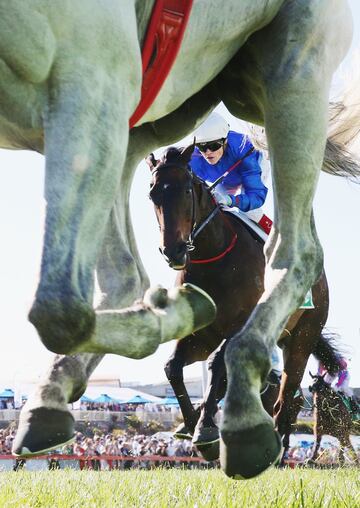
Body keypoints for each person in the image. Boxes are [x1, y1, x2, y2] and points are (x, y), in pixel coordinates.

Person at [189, 112, 273, 235]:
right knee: (218, 208)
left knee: (250, 212)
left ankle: (281, 239)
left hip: (253, 165)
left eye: (213, 146)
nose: (207, 152)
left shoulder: (244, 152)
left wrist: (231, 200)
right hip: (225, 176)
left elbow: (256, 196)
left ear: (225, 141)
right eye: (201, 147)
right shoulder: (194, 159)